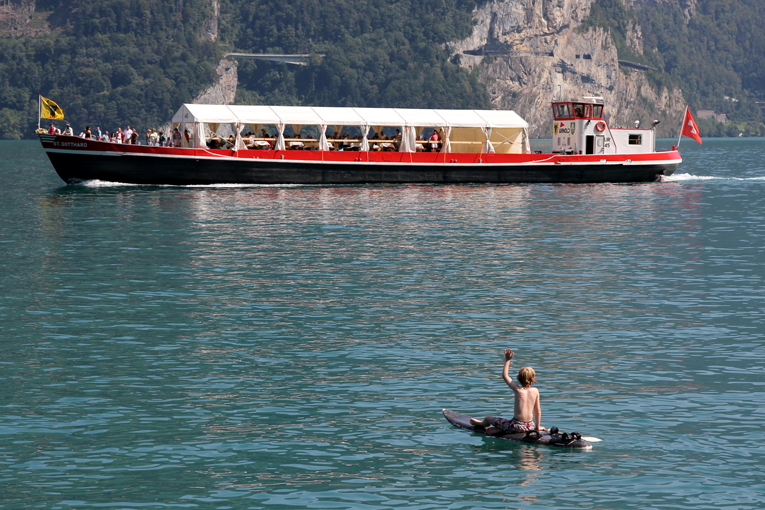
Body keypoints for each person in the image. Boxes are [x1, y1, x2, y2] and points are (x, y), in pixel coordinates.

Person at [469, 348, 545, 435]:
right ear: (533, 379)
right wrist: (537, 427)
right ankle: (497, 430)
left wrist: (508, 360)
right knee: (509, 424)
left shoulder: (518, 390)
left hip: (516, 426)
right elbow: (537, 411)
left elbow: (505, 375)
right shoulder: (536, 391)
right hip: (530, 426)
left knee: (487, 418)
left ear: (519, 379)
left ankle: (481, 424)